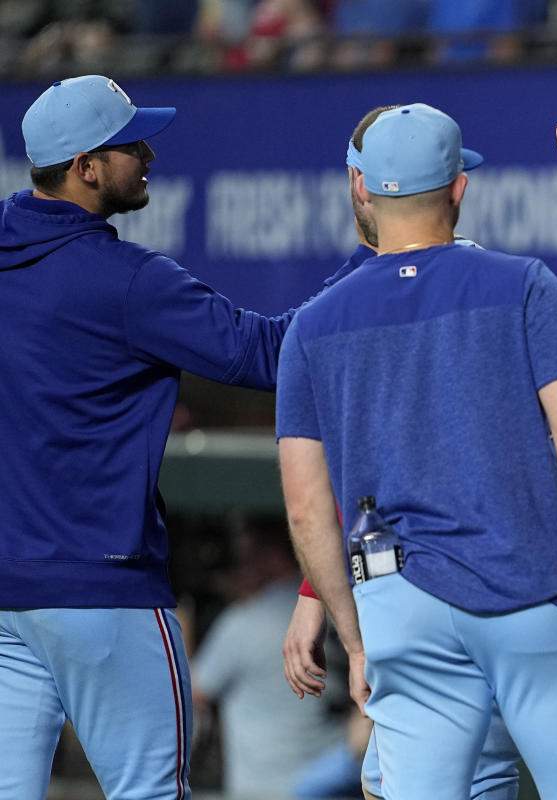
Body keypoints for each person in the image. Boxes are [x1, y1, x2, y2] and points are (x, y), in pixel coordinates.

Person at [276, 103, 557, 800]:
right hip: (532, 591)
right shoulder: (523, 284)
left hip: (398, 600)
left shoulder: (312, 324)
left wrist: (355, 641)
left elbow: (304, 507)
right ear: (459, 187)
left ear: (364, 190)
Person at [0, 74, 333, 799]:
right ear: (87, 167)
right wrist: (375, 268)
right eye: (128, 143)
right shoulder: (123, 279)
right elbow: (267, 353)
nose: (147, 152)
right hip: (102, 589)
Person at [281, 104, 522, 800]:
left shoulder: (489, 288)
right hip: (425, 586)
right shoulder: (335, 306)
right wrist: (312, 595)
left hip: (447, 589)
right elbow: (343, 467)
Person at [192, 513, 348, 799]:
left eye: (248, 555)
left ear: (274, 555)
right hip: (336, 778)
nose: (243, 566)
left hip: (267, 787)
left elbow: (191, 693)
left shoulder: (244, 621)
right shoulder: (337, 605)